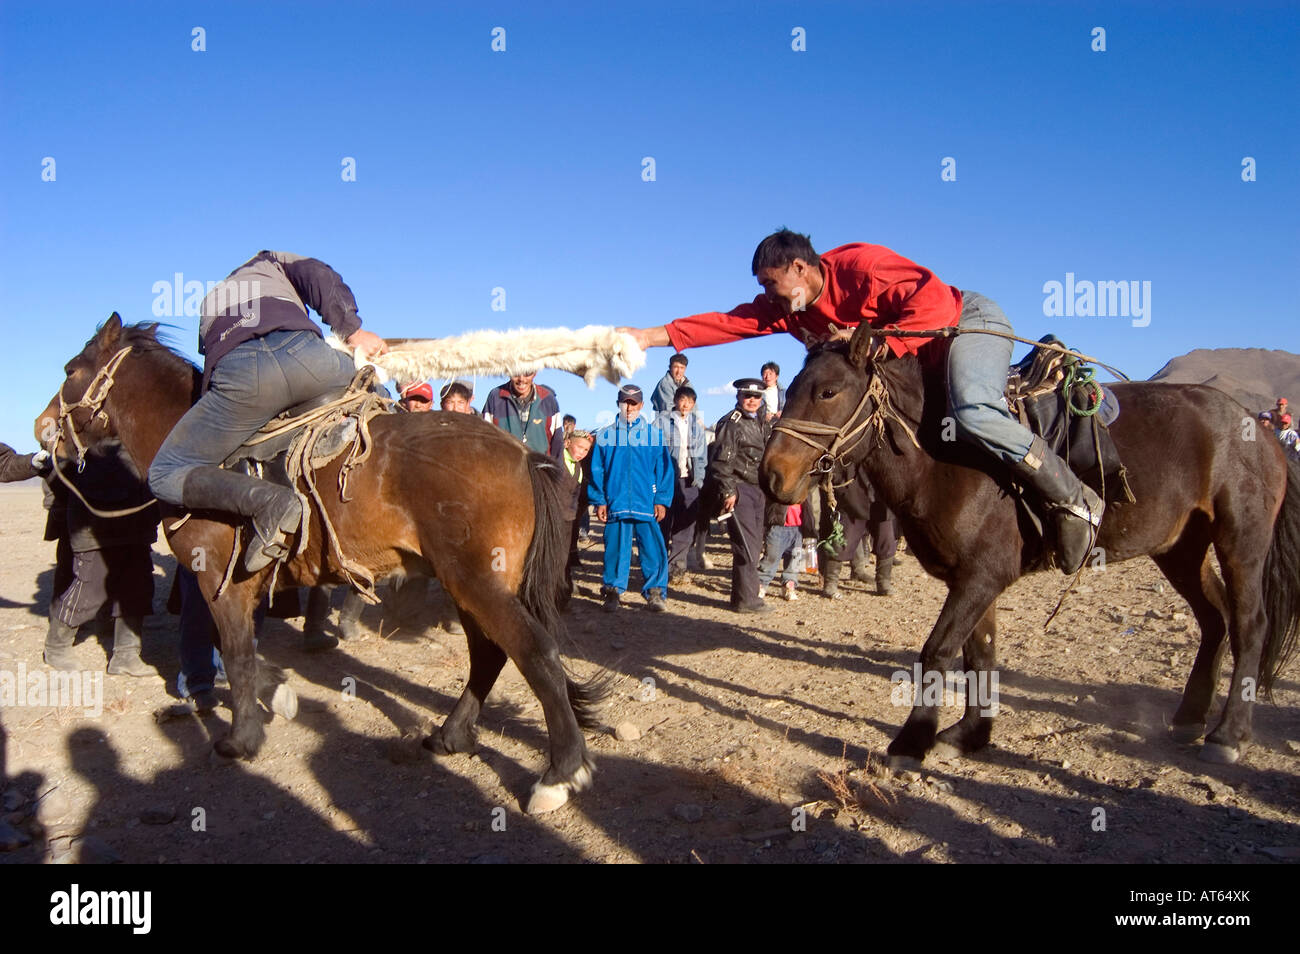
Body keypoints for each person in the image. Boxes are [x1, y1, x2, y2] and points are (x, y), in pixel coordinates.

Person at [619, 229, 1105, 575]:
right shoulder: (791, 309)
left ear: (800, 267)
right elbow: (728, 323)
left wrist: (879, 344)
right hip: (919, 365)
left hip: (964, 324)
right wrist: (649, 336)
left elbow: (933, 302)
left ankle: (1071, 497)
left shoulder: (860, 267)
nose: (767, 294)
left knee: (974, 409)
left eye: (771, 283)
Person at [147, 251, 388, 573]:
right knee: (377, 395)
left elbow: (213, 373)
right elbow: (318, 274)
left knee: (164, 472)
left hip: (243, 374)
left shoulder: (209, 303)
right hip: (310, 357)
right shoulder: (270, 260)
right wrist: (353, 330)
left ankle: (269, 501)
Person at [42, 441, 160, 675]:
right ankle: (56, 647)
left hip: (137, 516)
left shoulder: (142, 418)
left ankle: (126, 655)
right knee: (89, 587)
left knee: (136, 587)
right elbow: (59, 462)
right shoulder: (84, 418)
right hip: (93, 516)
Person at [588, 385, 673, 613]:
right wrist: (599, 500)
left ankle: (655, 592)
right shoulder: (606, 435)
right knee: (615, 549)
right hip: (616, 503)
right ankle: (613, 591)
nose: (629, 407)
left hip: (646, 503)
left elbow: (664, 469)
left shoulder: (653, 435)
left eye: (633, 403)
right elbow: (598, 470)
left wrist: (662, 499)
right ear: (618, 403)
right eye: (625, 402)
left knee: (652, 548)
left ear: (641, 405)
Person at [706, 378, 774, 613]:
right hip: (739, 488)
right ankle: (747, 600)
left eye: (756, 397)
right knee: (747, 546)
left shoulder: (761, 423)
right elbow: (722, 461)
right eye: (747, 396)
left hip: (758, 489)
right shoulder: (731, 423)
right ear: (738, 397)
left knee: (754, 546)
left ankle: (743, 597)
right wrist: (728, 491)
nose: (752, 400)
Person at [655, 385, 709, 582]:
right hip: (667, 480)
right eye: (682, 400)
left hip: (689, 481)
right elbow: (654, 453)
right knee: (663, 523)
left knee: (685, 526)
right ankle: (659, 566)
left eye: (690, 401)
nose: (686, 404)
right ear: (676, 401)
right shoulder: (661, 423)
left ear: (694, 404)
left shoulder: (696, 425)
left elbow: (702, 456)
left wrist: (700, 479)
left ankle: (677, 567)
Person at [482, 371, 562, 456]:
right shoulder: (496, 397)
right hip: (503, 466)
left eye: (527, 373)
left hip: (540, 467)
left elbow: (557, 445)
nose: (521, 379)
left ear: (535, 373)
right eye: (515, 373)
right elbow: (484, 438)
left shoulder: (548, 399)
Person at [553, 428, 594, 588]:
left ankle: (562, 585)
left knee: (562, 556)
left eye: (586, 450)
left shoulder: (578, 468)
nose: (582, 452)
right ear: (567, 443)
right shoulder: (556, 460)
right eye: (579, 447)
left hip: (567, 519)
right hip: (553, 517)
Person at [757, 500, 803, 601]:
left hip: (799, 526)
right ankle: (760, 585)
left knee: (795, 560)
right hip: (778, 524)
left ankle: (789, 584)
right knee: (771, 558)